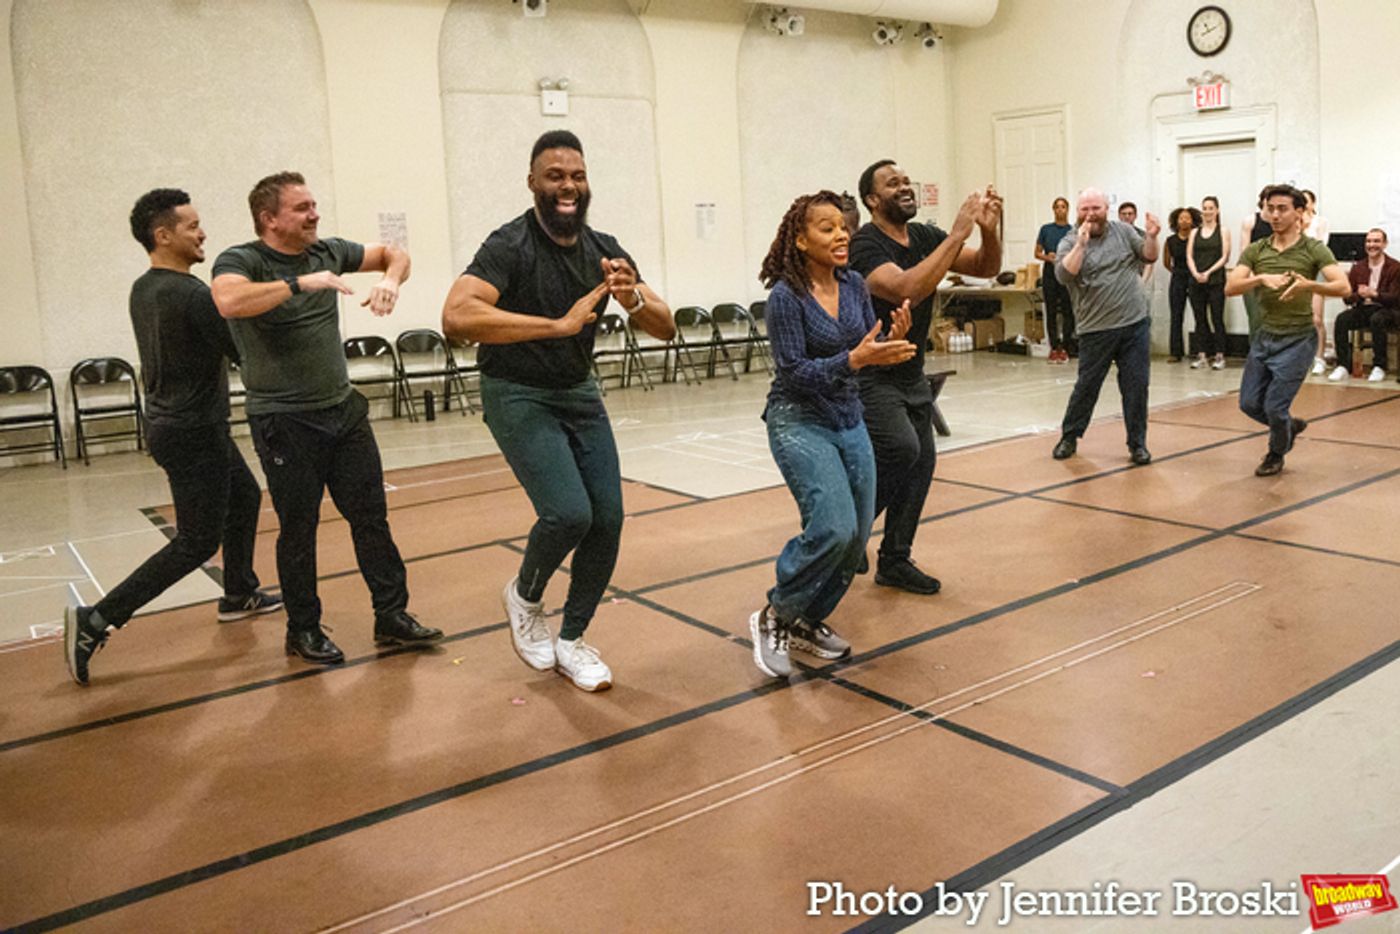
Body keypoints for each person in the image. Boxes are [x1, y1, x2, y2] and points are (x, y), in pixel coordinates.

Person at [441, 131, 674, 692]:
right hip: (516, 391)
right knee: (569, 513)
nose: (568, 186)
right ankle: (524, 595)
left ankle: (571, 639)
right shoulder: (509, 245)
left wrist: (632, 297)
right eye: (555, 176)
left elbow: (665, 327)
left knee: (609, 519)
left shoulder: (604, 247)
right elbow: (456, 315)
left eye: (577, 175)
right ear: (533, 183)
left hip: (577, 392)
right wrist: (555, 326)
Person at [211, 172, 442, 665]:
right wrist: (297, 283)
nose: (315, 215)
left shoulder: (329, 250)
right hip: (284, 421)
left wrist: (388, 280)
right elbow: (228, 300)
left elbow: (395, 252)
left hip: (343, 412)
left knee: (371, 518)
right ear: (269, 219)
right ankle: (303, 629)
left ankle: (392, 615)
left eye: (314, 205)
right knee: (299, 527)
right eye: (302, 208)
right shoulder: (242, 260)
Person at [63, 189, 281, 685]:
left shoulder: (145, 288)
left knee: (244, 496)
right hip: (193, 431)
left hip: (174, 425)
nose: (202, 232)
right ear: (163, 235)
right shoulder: (192, 295)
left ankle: (238, 591)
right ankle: (96, 619)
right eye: (192, 226)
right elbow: (240, 350)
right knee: (196, 541)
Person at [748, 191, 915, 678]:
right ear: (800, 240)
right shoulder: (784, 297)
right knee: (833, 528)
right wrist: (857, 359)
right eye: (827, 228)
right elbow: (796, 372)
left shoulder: (856, 284)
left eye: (843, 226)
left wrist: (885, 341)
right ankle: (776, 614)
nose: (841, 234)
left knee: (856, 536)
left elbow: (861, 348)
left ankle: (807, 620)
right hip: (798, 420)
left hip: (848, 416)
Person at [849, 161, 1002, 595]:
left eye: (905, 180)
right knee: (901, 448)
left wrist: (988, 229)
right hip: (873, 372)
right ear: (872, 201)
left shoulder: (924, 237)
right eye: (891, 183)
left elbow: (985, 266)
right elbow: (904, 289)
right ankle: (851, 532)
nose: (903, 186)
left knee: (922, 464)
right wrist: (957, 233)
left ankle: (895, 559)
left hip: (911, 369)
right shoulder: (865, 245)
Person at [1227, 184, 1350, 476]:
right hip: (1264, 337)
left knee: (1273, 405)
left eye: (1282, 209)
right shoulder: (1257, 250)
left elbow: (1343, 286)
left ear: (1299, 212)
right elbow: (1231, 286)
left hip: (1298, 340)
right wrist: (1260, 279)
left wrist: (1310, 285)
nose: (1275, 214)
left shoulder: (1313, 249)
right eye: (1270, 208)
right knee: (1248, 403)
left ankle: (1275, 453)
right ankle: (1288, 426)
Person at [1051, 188, 1160, 465]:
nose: (1091, 215)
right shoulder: (1068, 241)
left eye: (1096, 208)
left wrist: (1152, 236)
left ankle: (1138, 444)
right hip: (1095, 330)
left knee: (1136, 387)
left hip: (1134, 325)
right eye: (1085, 209)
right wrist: (1081, 245)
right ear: (1078, 212)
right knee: (1087, 386)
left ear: (1106, 209)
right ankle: (1069, 437)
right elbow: (1064, 275)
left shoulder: (1124, 232)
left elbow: (1149, 256)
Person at [1327, 228, 1400, 382]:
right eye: (1368, 241)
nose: (1372, 245)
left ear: (1384, 244)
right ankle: (1343, 366)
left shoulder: (1395, 267)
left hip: (1388, 310)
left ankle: (1379, 366)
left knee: (1377, 319)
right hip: (1364, 308)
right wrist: (1358, 295)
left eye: (1376, 241)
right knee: (1342, 319)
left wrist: (1375, 294)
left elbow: (1396, 298)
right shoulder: (1358, 267)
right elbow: (1347, 298)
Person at [1186, 196, 1231, 369]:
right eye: (1205, 208)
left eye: (1211, 208)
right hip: (1196, 281)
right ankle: (1202, 354)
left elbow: (1225, 256)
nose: (1207, 211)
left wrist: (1208, 272)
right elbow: (1189, 255)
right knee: (1199, 318)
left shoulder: (1223, 231)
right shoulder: (1194, 232)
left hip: (1216, 280)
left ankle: (1219, 355)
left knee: (1217, 317)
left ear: (1217, 210)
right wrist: (1196, 273)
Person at [1036, 197, 1075, 363]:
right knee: (1051, 311)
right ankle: (1054, 347)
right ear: (1053, 210)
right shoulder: (1046, 229)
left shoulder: (1073, 230)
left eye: (1063, 207)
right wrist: (1048, 257)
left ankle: (1065, 347)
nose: (1060, 210)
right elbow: (1037, 253)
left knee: (1068, 311)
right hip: (1050, 273)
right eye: (1057, 207)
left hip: (1066, 274)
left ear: (1068, 209)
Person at [1162, 206, 1201, 363]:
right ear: (1176, 222)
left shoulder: (1197, 238)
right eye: (1181, 218)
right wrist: (1176, 272)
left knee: (1200, 314)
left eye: (1187, 218)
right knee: (1176, 315)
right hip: (1177, 278)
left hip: (1194, 278)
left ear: (1193, 221)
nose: (1184, 221)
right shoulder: (1170, 241)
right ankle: (1175, 352)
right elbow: (1166, 262)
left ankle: (1201, 350)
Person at [1301, 190, 1332, 375]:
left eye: (1306, 201)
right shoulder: (1295, 223)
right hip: (1298, 270)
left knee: (1316, 318)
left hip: (1315, 269)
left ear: (1313, 203)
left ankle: (1320, 357)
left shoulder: (1321, 222)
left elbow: (1320, 244)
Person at [1238, 188, 1274, 340]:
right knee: (1256, 319)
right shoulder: (1251, 221)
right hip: (1253, 276)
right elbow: (1244, 250)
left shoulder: (1280, 222)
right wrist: (1251, 275)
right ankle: (1256, 355)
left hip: (1275, 275)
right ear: (1263, 201)